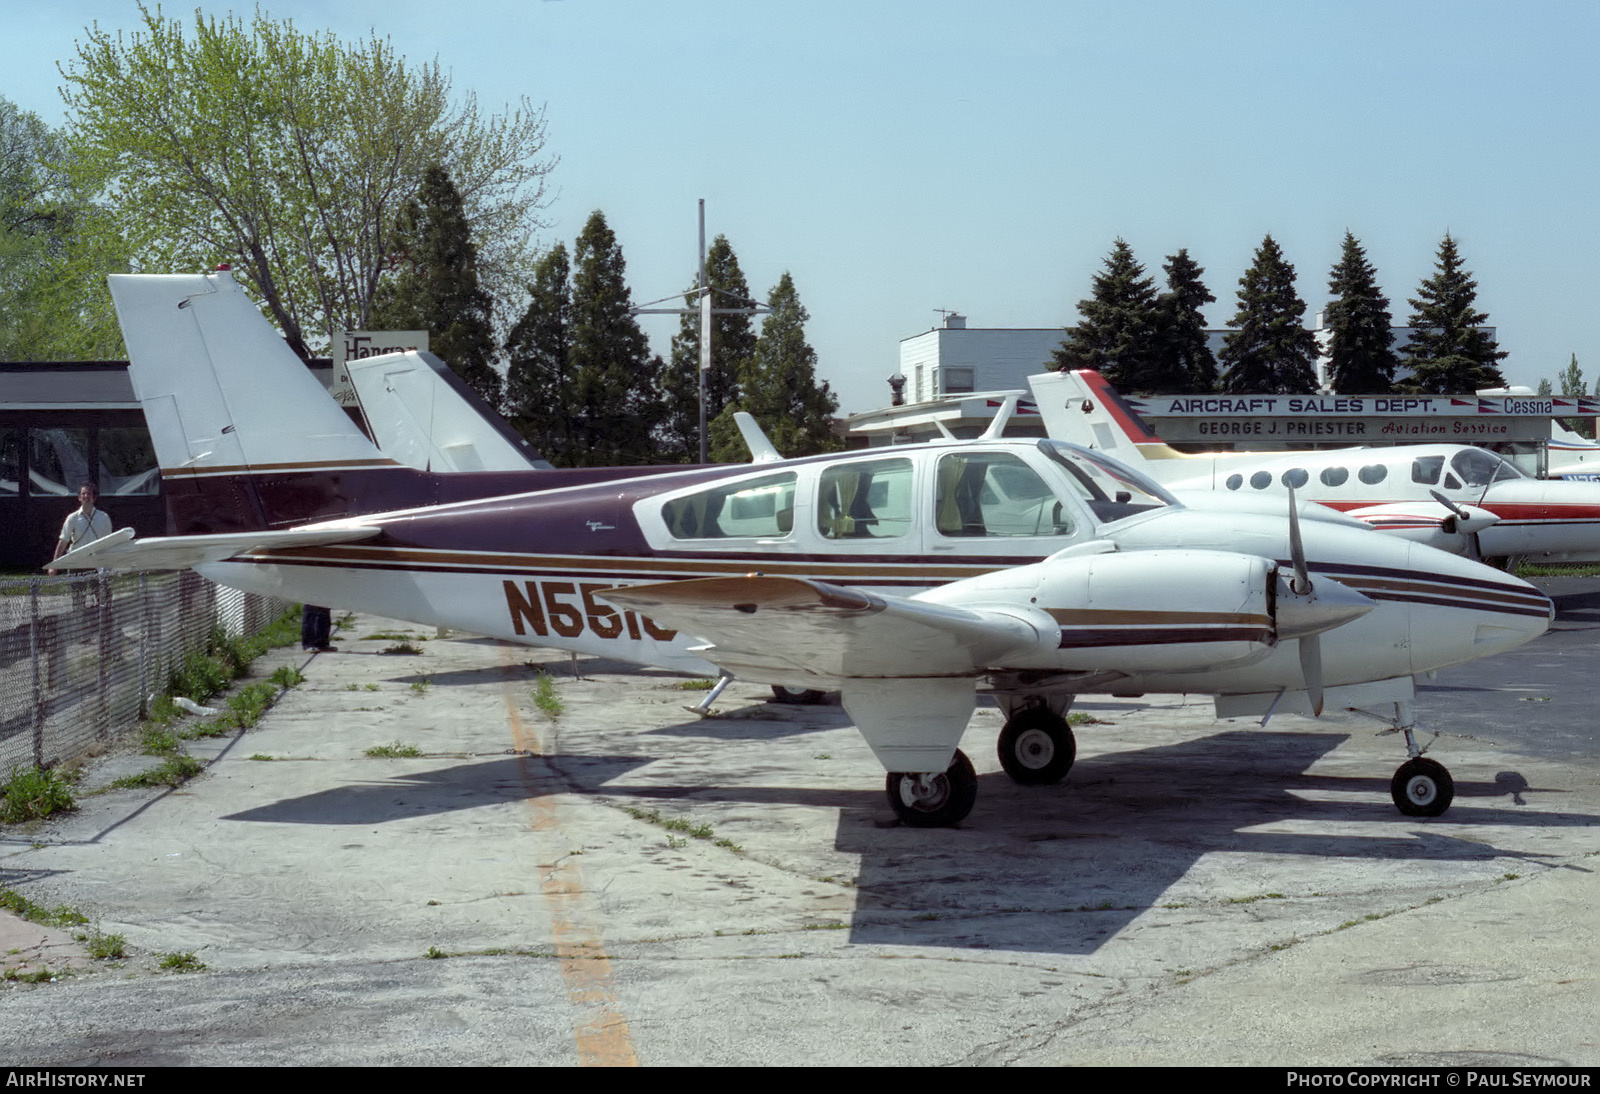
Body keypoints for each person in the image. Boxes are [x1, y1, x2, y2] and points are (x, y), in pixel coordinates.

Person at [48, 483, 112, 574]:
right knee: (78, 589)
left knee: (99, 589)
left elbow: (109, 542)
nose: (86, 496)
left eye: (89, 494)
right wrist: (54, 565)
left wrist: (110, 563)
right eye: (83, 494)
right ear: (79, 498)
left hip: (97, 563)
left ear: (94, 497)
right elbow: (63, 541)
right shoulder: (72, 518)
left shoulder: (104, 517)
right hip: (76, 562)